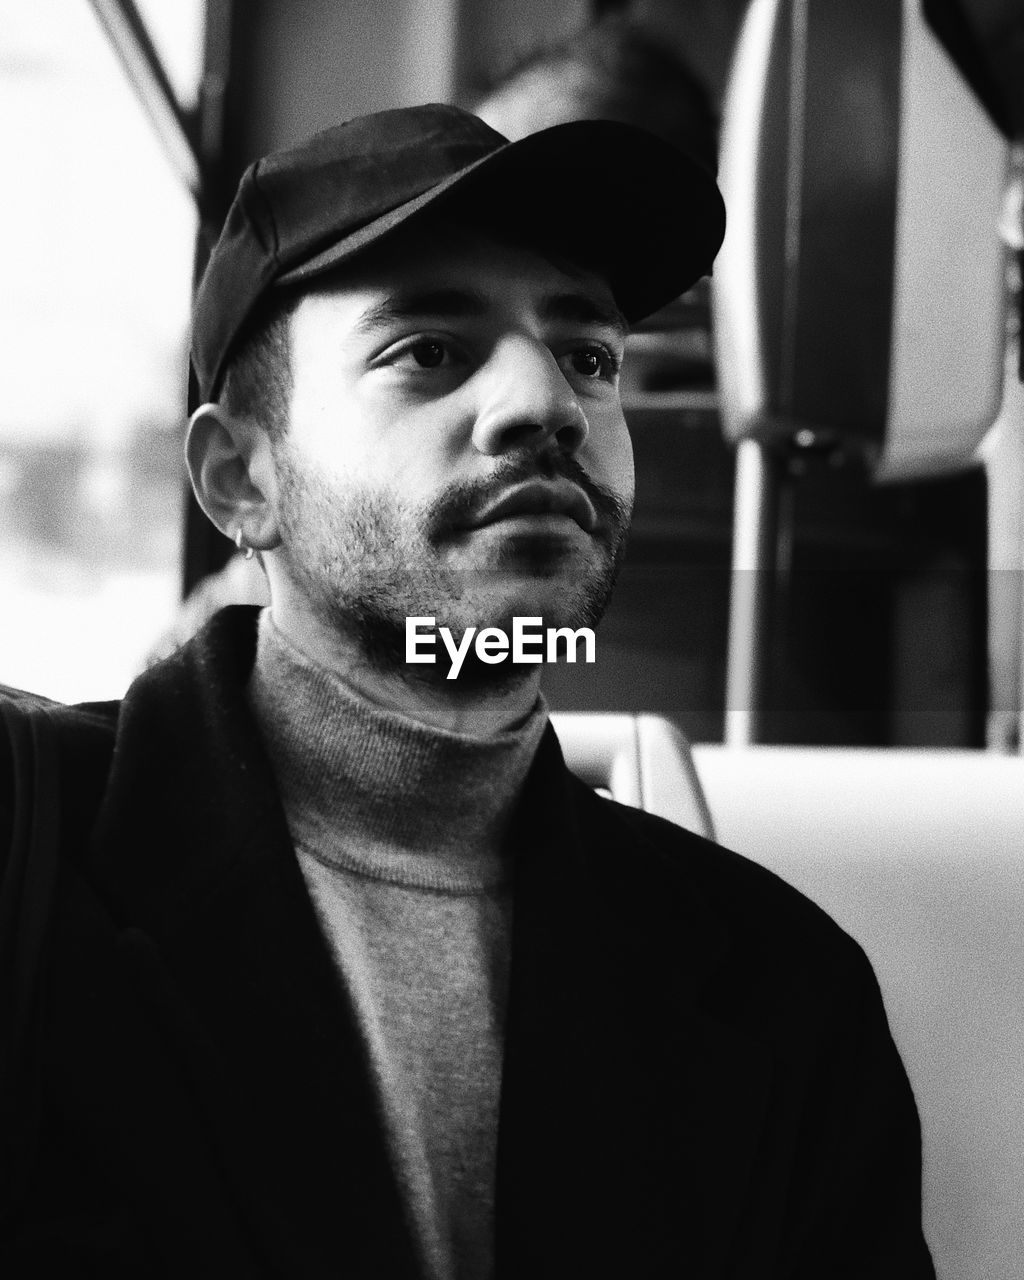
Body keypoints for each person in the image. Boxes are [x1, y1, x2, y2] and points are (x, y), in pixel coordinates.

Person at [0, 103, 933, 1277]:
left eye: (588, 356)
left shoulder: (782, 989)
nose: (546, 404)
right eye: (428, 351)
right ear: (242, 476)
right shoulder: (28, 864)